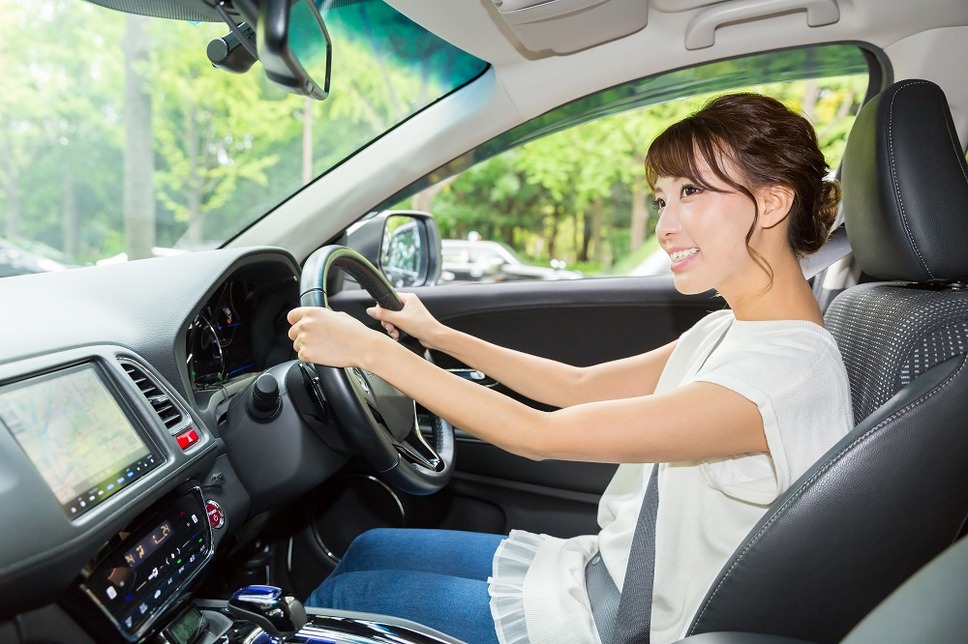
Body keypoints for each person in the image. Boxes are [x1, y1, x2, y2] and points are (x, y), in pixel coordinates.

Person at [287, 93, 854, 644]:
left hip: (630, 624)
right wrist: (438, 335)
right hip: (611, 573)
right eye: (662, 200)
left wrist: (370, 351)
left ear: (774, 203)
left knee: (339, 600)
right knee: (367, 550)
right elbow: (575, 387)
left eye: (690, 192)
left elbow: (538, 435)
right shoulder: (730, 329)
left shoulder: (785, 373)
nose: (665, 225)